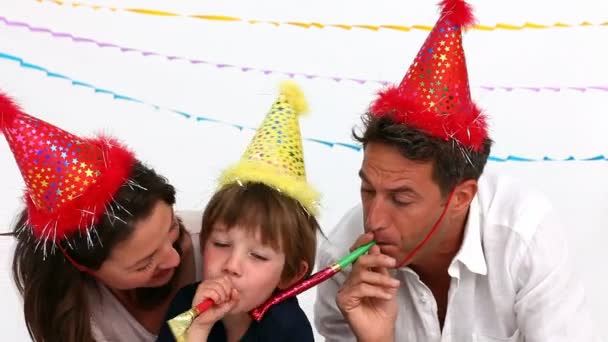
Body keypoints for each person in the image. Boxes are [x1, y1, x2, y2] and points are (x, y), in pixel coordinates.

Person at [313, 0, 598, 341]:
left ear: (461, 196)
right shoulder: (342, 263)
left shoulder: (523, 236)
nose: (374, 220)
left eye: (401, 199)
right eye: (368, 190)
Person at [0, 92, 202, 342]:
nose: (173, 258)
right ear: (87, 268)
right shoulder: (78, 312)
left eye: (172, 228)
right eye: (144, 263)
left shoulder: (217, 243)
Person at [157, 81, 319, 342]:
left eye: (257, 255)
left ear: (290, 274)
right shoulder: (186, 306)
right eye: (221, 243)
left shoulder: (289, 330)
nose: (232, 266)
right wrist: (197, 329)